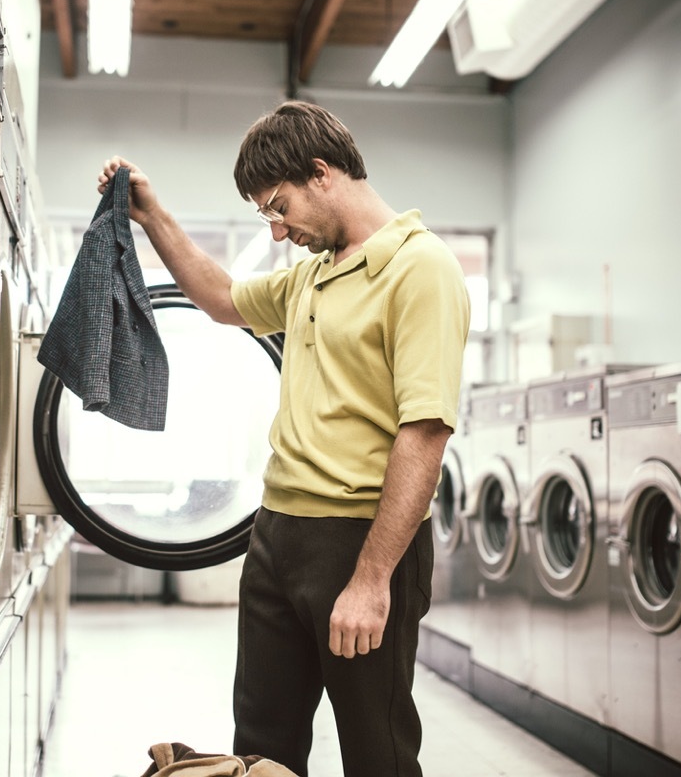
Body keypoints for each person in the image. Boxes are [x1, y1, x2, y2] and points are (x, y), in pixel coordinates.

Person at [97, 100, 470, 777]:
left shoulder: (420, 268)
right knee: (259, 747)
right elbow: (222, 299)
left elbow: (424, 434)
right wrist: (152, 217)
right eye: (264, 214)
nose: (276, 229)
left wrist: (371, 581)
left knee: (377, 752)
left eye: (279, 206)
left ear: (322, 173)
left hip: (360, 540)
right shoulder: (313, 274)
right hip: (276, 537)